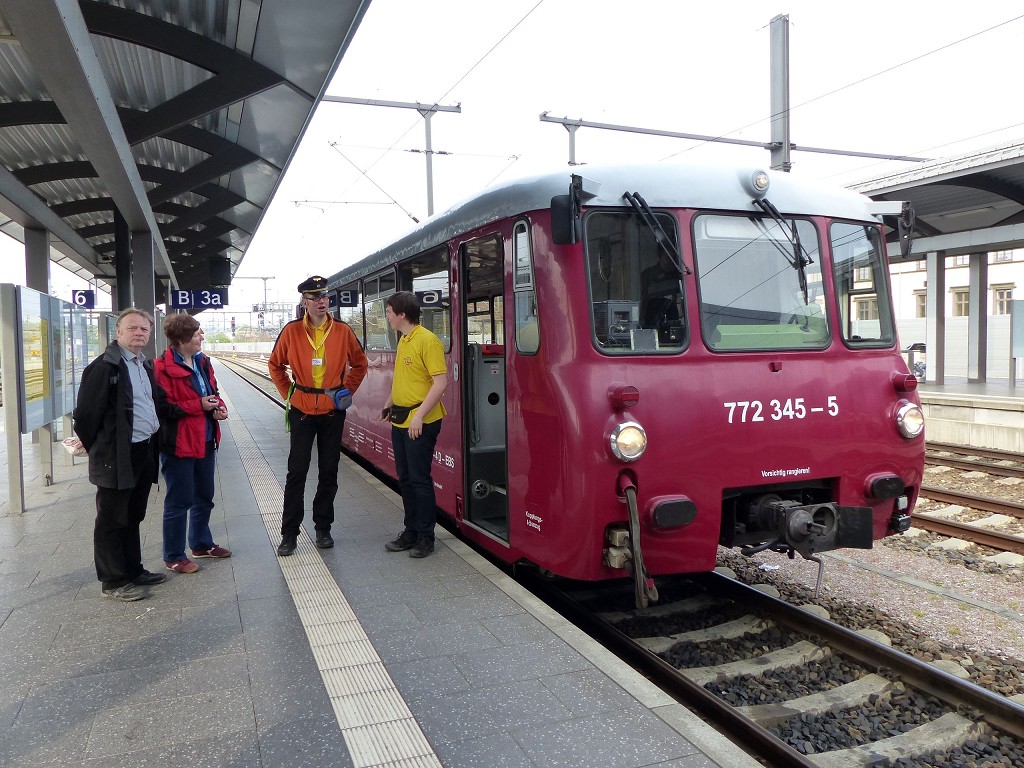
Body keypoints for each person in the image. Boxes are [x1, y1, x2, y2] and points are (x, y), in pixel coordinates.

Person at [269, 276, 368, 556]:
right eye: (315, 297)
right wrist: (289, 393)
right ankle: (289, 533)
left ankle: (323, 528)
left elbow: (360, 364)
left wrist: (345, 392)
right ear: (305, 302)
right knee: (296, 472)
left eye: (325, 296)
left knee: (329, 471)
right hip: (302, 410)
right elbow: (275, 365)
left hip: (332, 412)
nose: (322, 301)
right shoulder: (291, 332)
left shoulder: (342, 331)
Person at [73, 308, 166, 602]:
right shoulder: (105, 367)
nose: (139, 333)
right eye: (133, 328)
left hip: (142, 451)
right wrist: (97, 447)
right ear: (118, 333)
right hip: (116, 455)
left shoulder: (142, 365)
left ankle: (133, 569)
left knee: (133, 514)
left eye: (144, 329)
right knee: (112, 518)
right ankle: (113, 581)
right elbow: (86, 415)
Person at [154, 314, 231, 575]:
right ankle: (174, 555)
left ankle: (201, 544)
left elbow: (212, 393)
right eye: (197, 333)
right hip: (179, 444)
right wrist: (198, 405)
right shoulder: (161, 368)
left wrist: (218, 408)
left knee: (204, 497)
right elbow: (163, 408)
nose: (202, 337)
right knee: (179, 501)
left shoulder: (202, 361)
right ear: (182, 338)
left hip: (206, 438)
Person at [381, 291, 448, 559]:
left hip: (421, 421)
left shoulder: (427, 341)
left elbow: (440, 383)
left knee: (420, 479)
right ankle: (410, 531)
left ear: (402, 314)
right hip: (401, 418)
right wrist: (389, 403)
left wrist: (419, 416)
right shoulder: (404, 341)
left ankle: (425, 537)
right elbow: (403, 378)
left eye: (388, 312)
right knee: (405, 478)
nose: (386, 317)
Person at [641, 250, 683, 335]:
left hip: (673, 318)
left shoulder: (680, 275)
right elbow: (643, 298)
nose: (670, 260)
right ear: (660, 256)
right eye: (667, 257)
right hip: (652, 317)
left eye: (673, 258)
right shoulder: (648, 274)